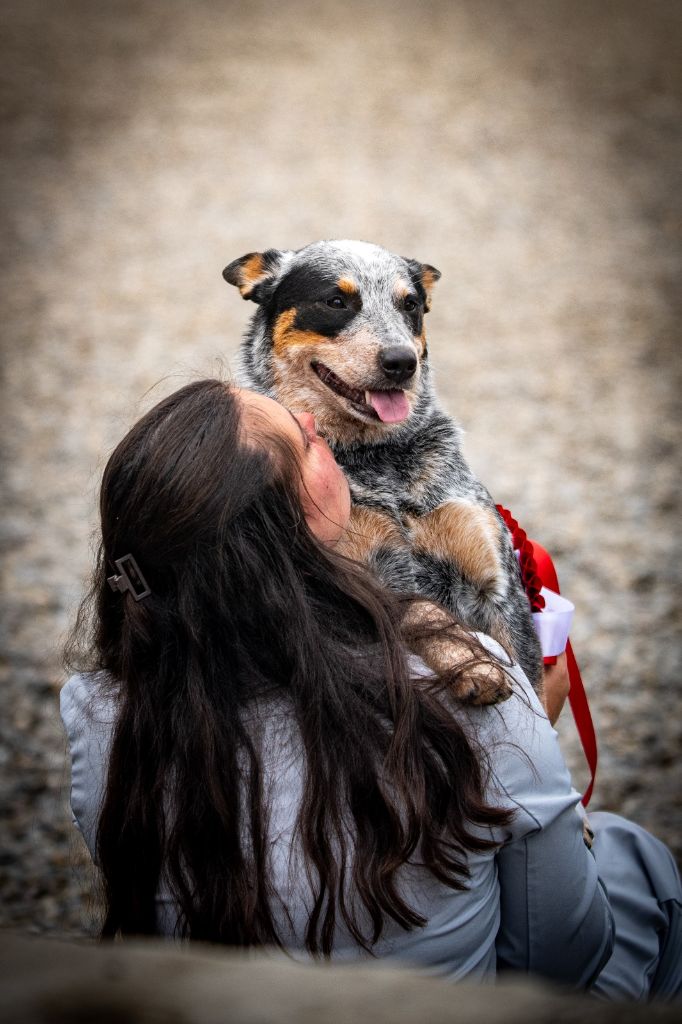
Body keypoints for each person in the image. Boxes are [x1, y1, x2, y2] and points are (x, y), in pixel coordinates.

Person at [61, 379, 681, 999]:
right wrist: (529, 729)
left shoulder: (97, 714)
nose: (316, 420)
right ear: (300, 514)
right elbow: (564, 962)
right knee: (636, 858)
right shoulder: (462, 685)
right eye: (306, 440)